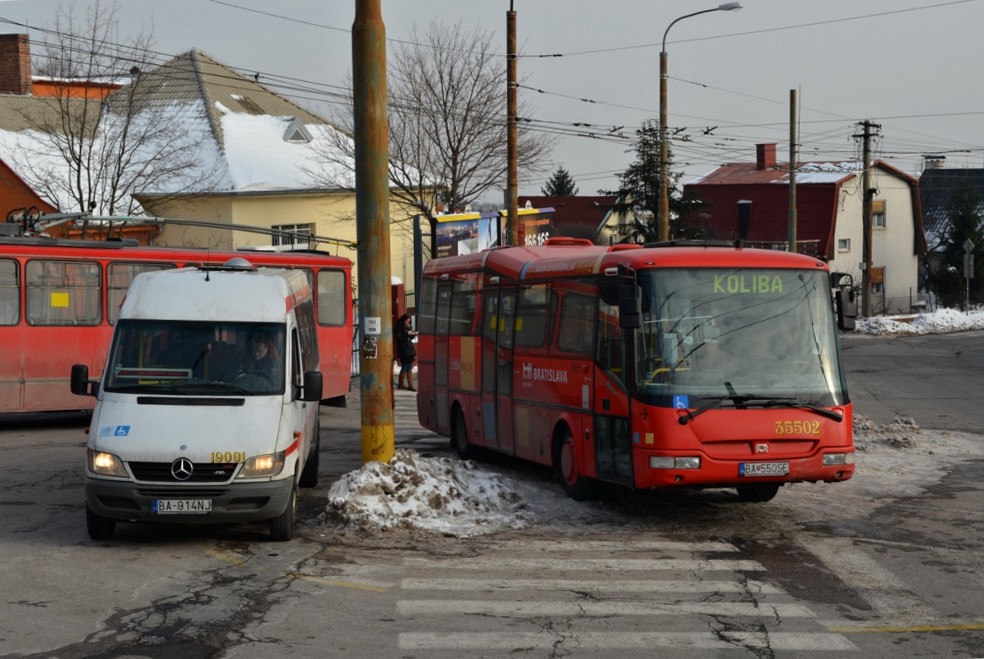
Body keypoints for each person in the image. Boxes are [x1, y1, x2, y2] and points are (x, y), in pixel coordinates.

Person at [395, 313, 417, 391]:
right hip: (403, 348)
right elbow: (398, 337)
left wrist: (412, 334)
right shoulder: (399, 327)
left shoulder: (408, 326)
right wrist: (406, 333)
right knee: (405, 366)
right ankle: (402, 384)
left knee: (409, 366)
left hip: (409, 348)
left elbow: (410, 338)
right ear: (404, 320)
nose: (408, 322)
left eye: (409, 321)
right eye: (407, 321)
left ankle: (410, 385)